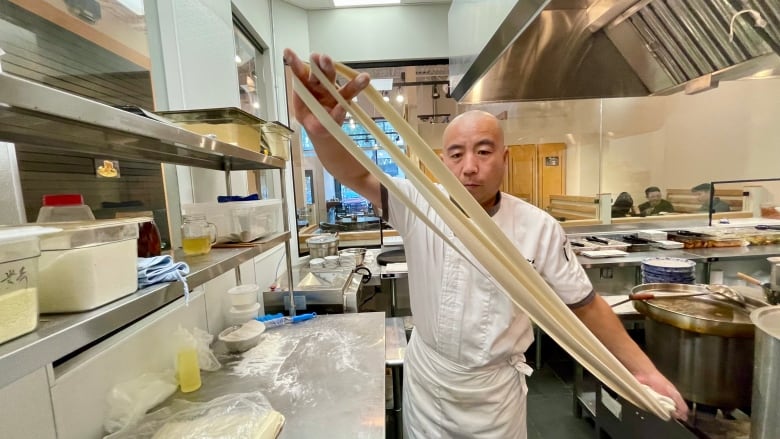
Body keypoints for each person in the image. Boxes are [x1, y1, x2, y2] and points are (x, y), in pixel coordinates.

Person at [285, 49, 687, 438]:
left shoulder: (538, 227)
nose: (470, 166)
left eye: (483, 151)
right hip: (431, 383)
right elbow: (354, 174)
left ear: (504, 158)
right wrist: (320, 134)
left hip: (495, 395)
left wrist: (643, 370)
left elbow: (584, 305)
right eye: (456, 154)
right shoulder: (418, 204)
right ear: (442, 162)